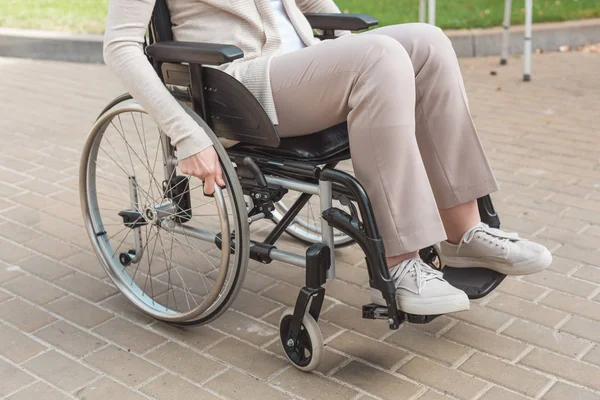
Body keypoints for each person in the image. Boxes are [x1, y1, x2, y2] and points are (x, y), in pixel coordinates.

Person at [103, 0, 552, 316]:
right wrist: (185, 134)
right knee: (379, 56)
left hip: (301, 67)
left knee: (427, 41)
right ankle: (403, 265)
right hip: (240, 85)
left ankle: (463, 235)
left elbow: (309, 1)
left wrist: (352, 51)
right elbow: (121, 46)